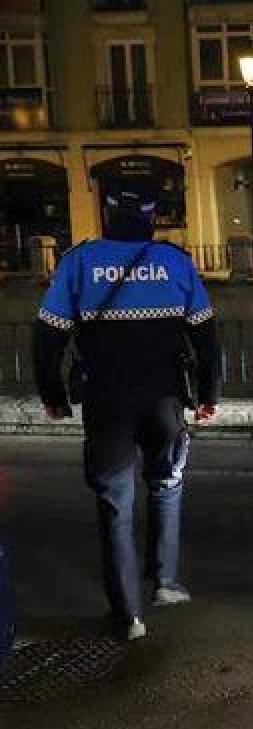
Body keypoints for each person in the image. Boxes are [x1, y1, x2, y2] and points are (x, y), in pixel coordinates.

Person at [32, 185, 222, 642]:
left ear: (107, 215)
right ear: (152, 219)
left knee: (115, 505)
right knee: (166, 488)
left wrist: (53, 394)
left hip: (107, 403)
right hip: (164, 403)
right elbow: (206, 336)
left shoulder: (78, 262)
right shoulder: (176, 263)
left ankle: (127, 616)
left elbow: (47, 339)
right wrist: (207, 395)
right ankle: (166, 583)